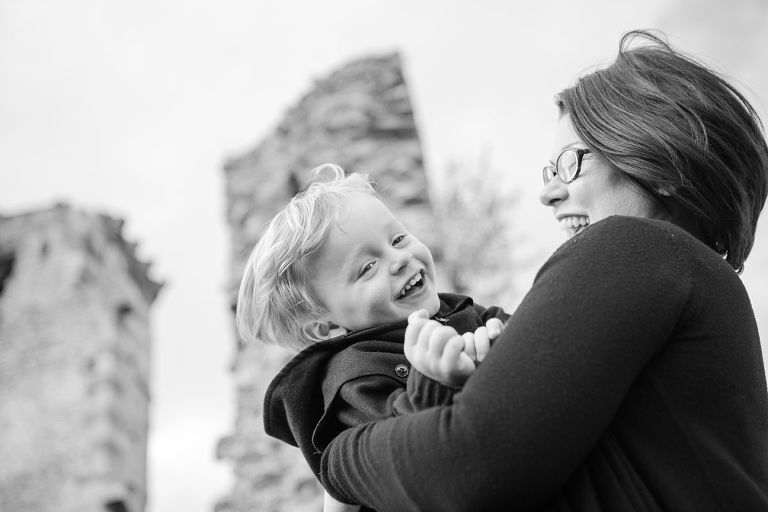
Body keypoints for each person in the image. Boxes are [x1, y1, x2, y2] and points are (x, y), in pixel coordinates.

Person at [318, 29, 768, 511]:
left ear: (658, 154)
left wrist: (336, 458)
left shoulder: (633, 245)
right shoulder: (698, 284)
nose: (548, 194)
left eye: (570, 164)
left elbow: (463, 467)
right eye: (547, 173)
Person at [235, 164, 509, 511]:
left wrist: (508, 342)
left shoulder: (460, 311)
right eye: (367, 268)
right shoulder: (355, 376)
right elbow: (398, 454)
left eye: (397, 239)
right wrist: (436, 382)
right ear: (326, 326)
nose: (398, 259)